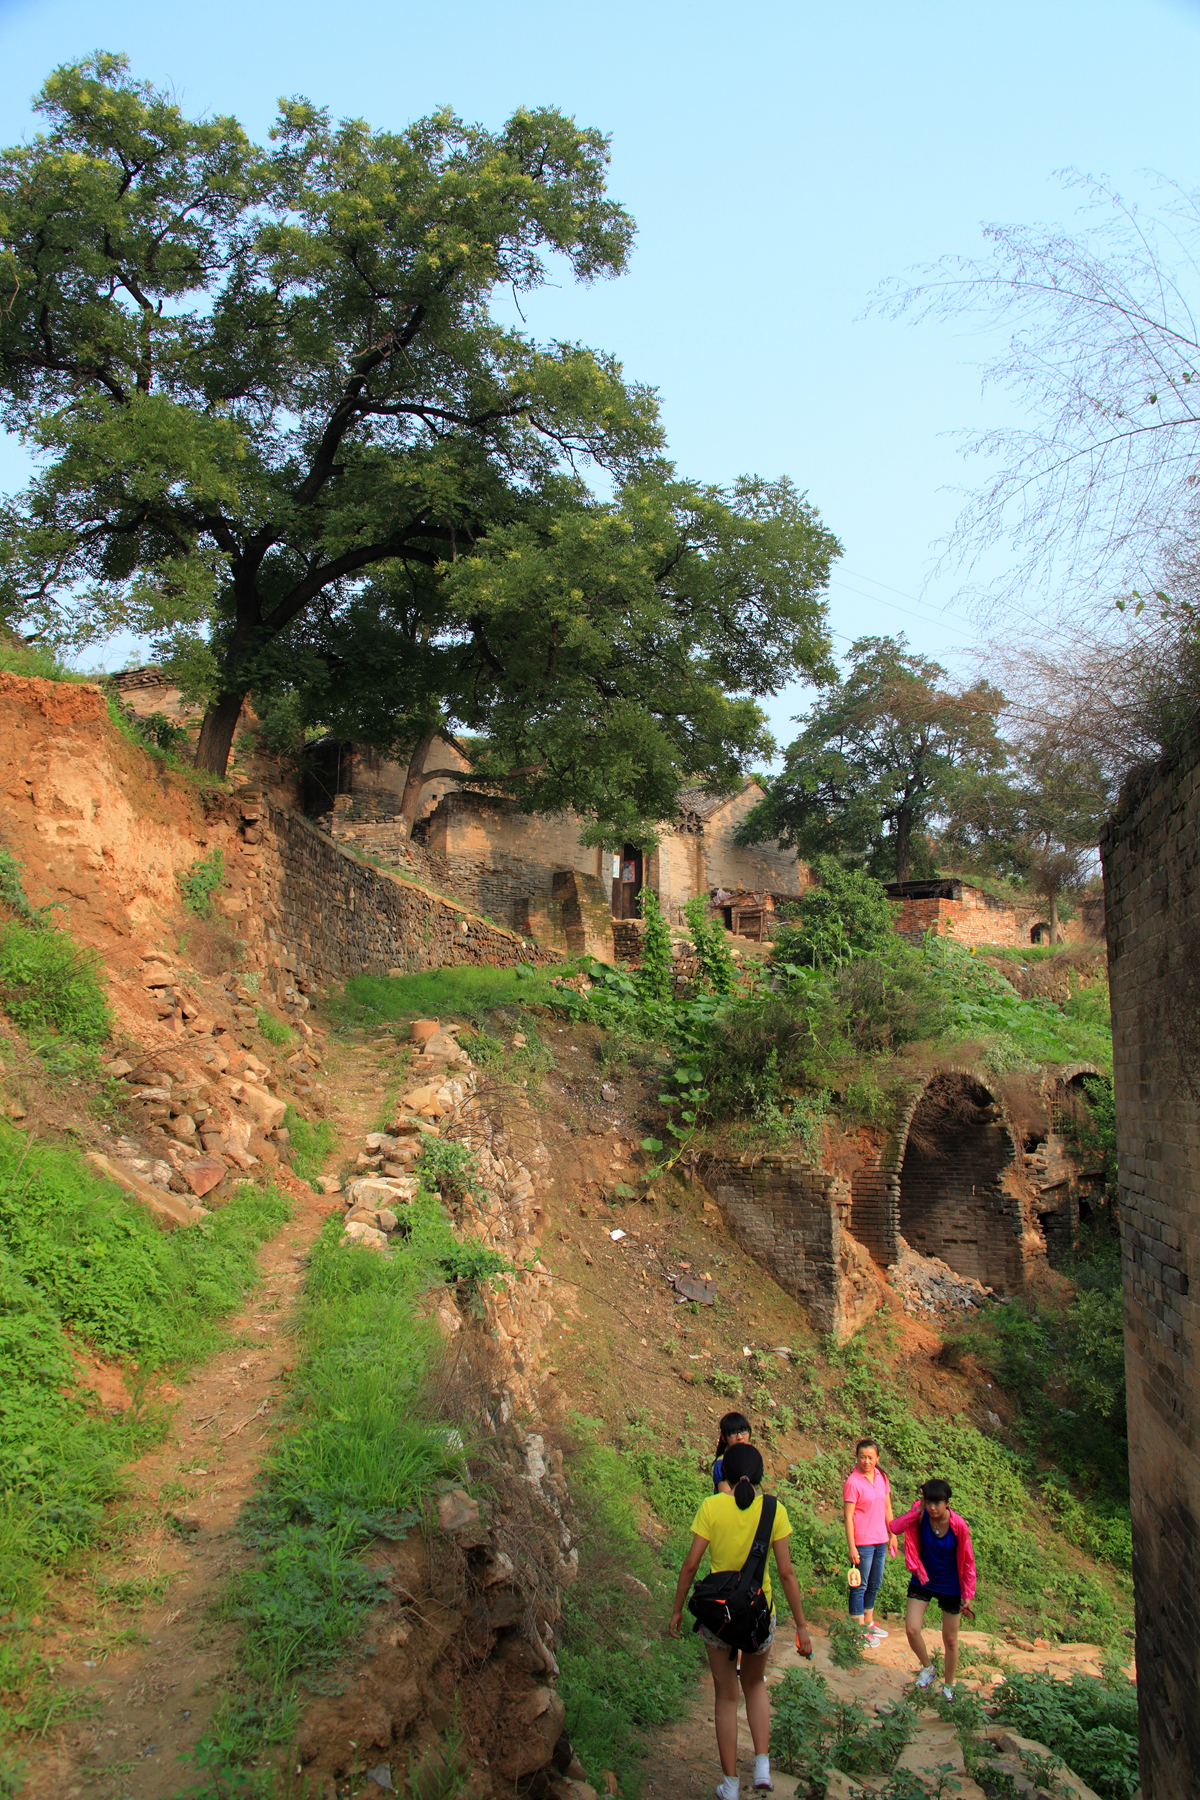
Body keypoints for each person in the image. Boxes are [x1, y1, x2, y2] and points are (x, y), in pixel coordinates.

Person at [670, 1443, 813, 1798]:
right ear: (760, 1475)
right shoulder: (773, 1510)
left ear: (725, 1475)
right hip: (758, 1617)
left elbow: (690, 1565)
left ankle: (731, 1784)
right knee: (755, 1684)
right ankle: (762, 1766)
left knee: (726, 1697)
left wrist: (676, 1609)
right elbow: (786, 1573)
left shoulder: (712, 1507)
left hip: (719, 1618)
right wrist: (802, 1626)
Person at [891, 1477, 977, 1700]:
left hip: (951, 1584)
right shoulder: (920, 1514)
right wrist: (917, 1511)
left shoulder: (959, 1525)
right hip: (924, 1578)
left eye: (937, 1503)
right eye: (929, 1502)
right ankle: (928, 1668)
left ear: (948, 1502)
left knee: (950, 1638)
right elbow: (894, 1527)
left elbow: (968, 1561)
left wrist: (968, 1593)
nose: (933, 1507)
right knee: (911, 1628)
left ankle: (949, 1685)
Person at [843, 1437, 897, 1646]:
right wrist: (852, 1547)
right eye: (862, 1457)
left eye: (870, 1457)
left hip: (880, 1539)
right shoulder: (853, 1483)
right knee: (859, 1585)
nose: (866, 1461)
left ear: (877, 1458)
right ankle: (856, 1629)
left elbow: (887, 1507)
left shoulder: (882, 1476)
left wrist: (892, 1534)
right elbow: (848, 1516)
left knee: (874, 1583)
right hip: (862, 1541)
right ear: (857, 1458)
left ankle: (869, 1622)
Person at [711, 1412, 752, 1491]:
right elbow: (727, 1499)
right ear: (723, 1438)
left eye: (743, 1431)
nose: (740, 1437)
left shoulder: (750, 1459)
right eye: (733, 1433)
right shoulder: (722, 1464)